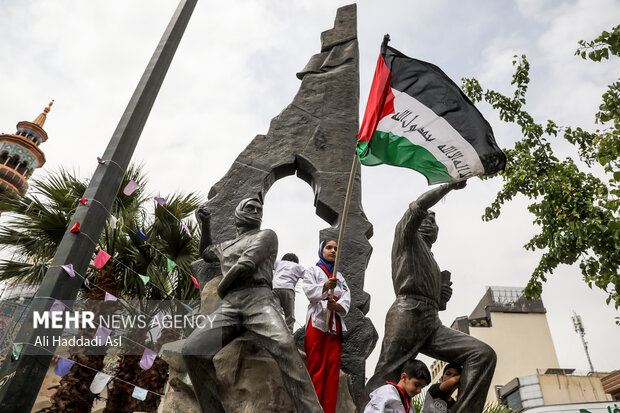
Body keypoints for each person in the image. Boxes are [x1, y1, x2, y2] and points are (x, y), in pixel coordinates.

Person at [358, 181, 497, 413]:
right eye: (428, 220)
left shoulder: (431, 258)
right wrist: (448, 187)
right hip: (408, 313)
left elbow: (439, 304)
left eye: (436, 223)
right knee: (386, 374)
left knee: (482, 354)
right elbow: (417, 207)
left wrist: (441, 297)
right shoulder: (407, 238)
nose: (433, 226)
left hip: (431, 319)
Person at [182, 198, 322, 413]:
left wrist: (221, 289)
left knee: (285, 346)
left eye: (259, 209)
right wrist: (205, 225)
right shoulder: (225, 245)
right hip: (230, 306)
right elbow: (206, 251)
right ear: (238, 214)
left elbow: (246, 265)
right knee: (192, 350)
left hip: (259, 299)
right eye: (250, 208)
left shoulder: (265, 235)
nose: (256, 211)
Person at [303, 239, 351, 413]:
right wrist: (324, 286)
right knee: (316, 367)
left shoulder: (341, 277)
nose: (332, 251)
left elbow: (346, 299)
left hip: (334, 326)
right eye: (328, 247)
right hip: (317, 322)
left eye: (336, 249)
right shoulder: (313, 271)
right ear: (321, 250)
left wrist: (336, 306)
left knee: (332, 372)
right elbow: (308, 291)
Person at [364, 359, 430, 413]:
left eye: (422, 387)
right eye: (417, 385)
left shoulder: (409, 403)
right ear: (404, 377)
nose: (419, 390)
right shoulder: (386, 392)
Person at [272, 253, 305, 333]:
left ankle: (275, 331)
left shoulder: (278, 262)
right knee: (289, 315)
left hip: (275, 288)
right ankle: (289, 333)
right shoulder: (298, 266)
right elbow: (308, 276)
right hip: (288, 289)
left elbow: (267, 263)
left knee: (276, 312)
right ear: (295, 261)